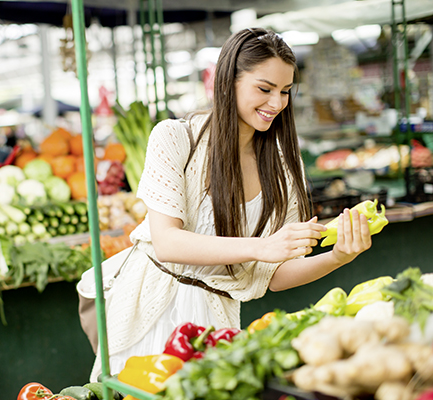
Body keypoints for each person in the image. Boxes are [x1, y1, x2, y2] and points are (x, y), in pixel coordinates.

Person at [88, 28, 373, 380]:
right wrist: (262, 246)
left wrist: (338, 256)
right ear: (228, 82)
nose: (277, 103)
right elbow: (167, 243)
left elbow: (275, 276)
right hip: (150, 308)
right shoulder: (176, 138)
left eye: (285, 92)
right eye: (264, 89)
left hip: (215, 322)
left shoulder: (284, 167)